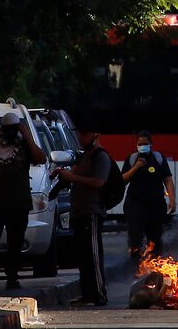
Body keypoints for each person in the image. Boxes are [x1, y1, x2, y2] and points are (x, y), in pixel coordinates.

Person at [0, 112, 47, 291]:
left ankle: (12, 277)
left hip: (18, 202)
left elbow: (41, 158)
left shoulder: (24, 144)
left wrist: (27, 136)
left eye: (14, 129)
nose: (11, 134)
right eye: (8, 130)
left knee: (15, 243)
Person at [51, 130, 110, 306]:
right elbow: (74, 175)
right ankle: (87, 294)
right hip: (78, 213)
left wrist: (73, 176)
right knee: (83, 258)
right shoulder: (83, 157)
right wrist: (63, 175)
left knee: (93, 256)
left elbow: (99, 182)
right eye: (80, 135)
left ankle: (99, 294)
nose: (81, 138)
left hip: (91, 212)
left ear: (95, 136)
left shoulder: (100, 156)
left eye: (85, 135)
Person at [121, 130, 176, 266]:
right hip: (135, 205)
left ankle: (156, 266)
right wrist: (135, 168)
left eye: (145, 144)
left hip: (155, 206)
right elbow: (122, 180)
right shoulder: (132, 159)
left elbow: (167, 180)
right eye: (140, 144)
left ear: (151, 144)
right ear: (136, 145)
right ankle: (135, 267)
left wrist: (172, 200)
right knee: (135, 239)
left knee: (155, 239)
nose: (143, 146)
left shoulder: (158, 159)